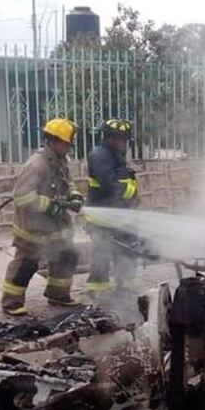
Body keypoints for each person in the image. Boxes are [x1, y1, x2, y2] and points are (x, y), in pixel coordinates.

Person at [0, 118, 84, 316]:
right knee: (27, 263)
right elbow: (22, 197)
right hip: (34, 226)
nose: (68, 148)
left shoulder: (60, 160)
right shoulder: (37, 165)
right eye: (66, 144)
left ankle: (58, 294)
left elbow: (67, 182)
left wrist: (75, 195)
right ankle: (11, 302)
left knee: (67, 255)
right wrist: (51, 205)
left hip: (56, 225)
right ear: (53, 141)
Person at [83, 118, 139, 304]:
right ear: (109, 138)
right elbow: (110, 186)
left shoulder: (116, 155)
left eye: (126, 139)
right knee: (102, 254)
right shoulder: (99, 156)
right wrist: (130, 189)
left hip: (120, 217)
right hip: (103, 219)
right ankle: (97, 292)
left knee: (126, 250)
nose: (124, 143)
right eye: (120, 139)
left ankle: (125, 287)